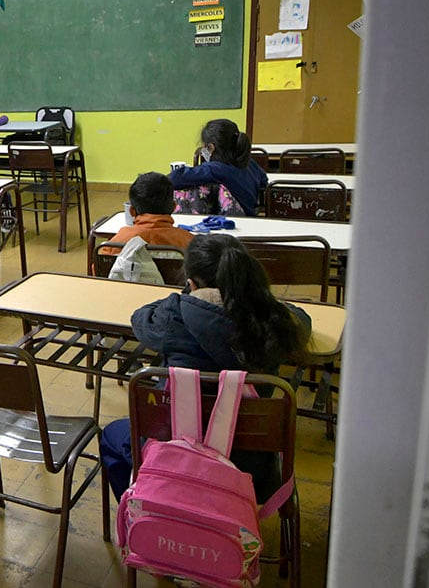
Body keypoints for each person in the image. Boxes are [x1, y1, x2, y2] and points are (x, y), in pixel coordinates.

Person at [102, 234, 312, 501]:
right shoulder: (274, 322)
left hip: (173, 456)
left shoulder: (173, 316)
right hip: (251, 471)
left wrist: (183, 297)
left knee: (111, 435)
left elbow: (140, 317)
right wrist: (264, 300)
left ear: (191, 283)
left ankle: (144, 506)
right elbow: (302, 320)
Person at [169, 118, 267, 216]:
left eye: (204, 147)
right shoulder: (250, 163)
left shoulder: (215, 169)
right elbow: (264, 180)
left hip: (237, 221)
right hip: (252, 215)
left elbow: (174, 178)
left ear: (211, 148)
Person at [101, 172, 194, 254]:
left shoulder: (115, 244)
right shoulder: (190, 243)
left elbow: (98, 270)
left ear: (132, 211)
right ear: (174, 207)